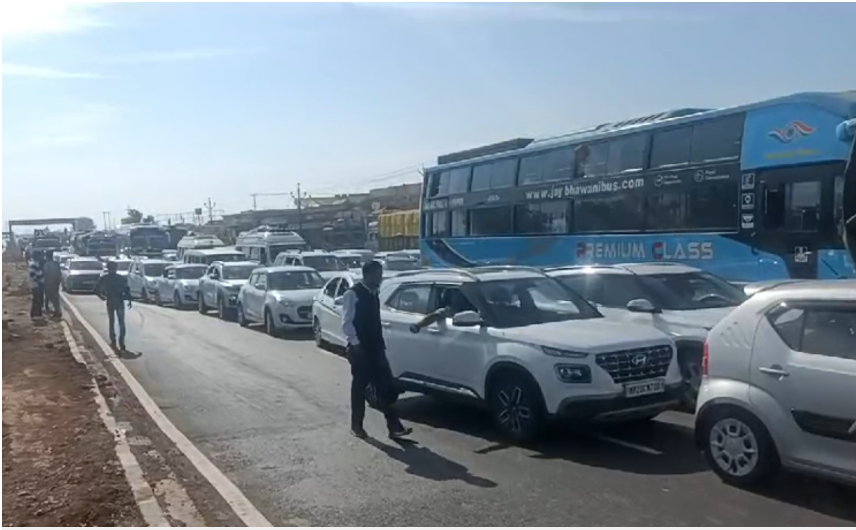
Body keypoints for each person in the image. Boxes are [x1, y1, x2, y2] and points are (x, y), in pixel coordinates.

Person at [341, 260, 412, 440]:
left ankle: (394, 426)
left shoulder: (374, 293)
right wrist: (355, 344)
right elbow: (347, 322)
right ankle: (356, 425)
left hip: (376, 348)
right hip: (360, 349)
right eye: (378, 274)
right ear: (369, 274)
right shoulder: (353, 294)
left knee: (386, 387)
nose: (380, 277)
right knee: (359, 387)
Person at [96, 260, 132, 350]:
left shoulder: (105, 278)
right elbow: (127, 290)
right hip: (119, 301)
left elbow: (96, 289)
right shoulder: (121, 278)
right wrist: (129, 300)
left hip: (110, 300)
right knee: (121, 322)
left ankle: (113, 340)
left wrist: (102, 296)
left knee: (112, 322)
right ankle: (121, 342)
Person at [43, 249, 62, 317]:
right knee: (53, 297)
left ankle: (57, 311)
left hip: (48, 283)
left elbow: (45, 274)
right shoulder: (55, 264)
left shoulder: (45, 264)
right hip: (55, 283)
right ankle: (54, 310)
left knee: (50, 297)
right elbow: (59, 274)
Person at [27, 250, 46, 320]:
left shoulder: (37, 264)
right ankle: (35, 314)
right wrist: (40, 281)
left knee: (38, 299)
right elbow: (33, 275)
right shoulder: (33, 264)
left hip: (38, 284)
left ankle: (37, 314)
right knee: (37, 300)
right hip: (36, 285)